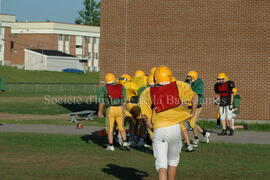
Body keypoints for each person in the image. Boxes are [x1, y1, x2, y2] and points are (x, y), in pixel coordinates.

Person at [140, 66, 198, 180]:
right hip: (175, 129)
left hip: (160, 129)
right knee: (173, 161)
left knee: (161, 165)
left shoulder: (148, 92)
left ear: (155, 79)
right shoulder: (178, 85)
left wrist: (152, 128)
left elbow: (147, 119)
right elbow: (195, 97)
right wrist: (193, 113)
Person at [97, 73, 129, 151]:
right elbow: (124, 100)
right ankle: (125, 143)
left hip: (110, 109)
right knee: (121, 127)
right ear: (114, 79)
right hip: (120, 108)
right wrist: (124, 110)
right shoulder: (121, 86)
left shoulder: (103, 88)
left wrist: (99, 112)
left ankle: (111, 145)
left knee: (110, 128)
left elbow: (101, 102)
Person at [185, 71, 210, 146]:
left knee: (192, 122)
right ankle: (203, 134)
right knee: (191, 122)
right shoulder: (187, 82)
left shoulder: (199, 83)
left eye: (189, 76)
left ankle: (197, 138)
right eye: (188, 76)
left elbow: (197, 92)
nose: (188, 78)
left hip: (197, 104)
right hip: (190, 104)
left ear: (194, 76)